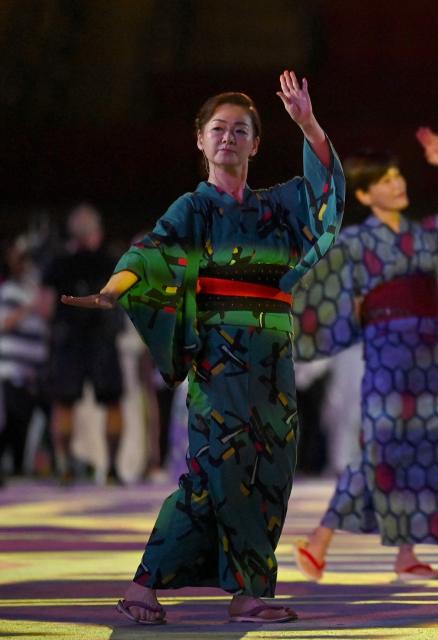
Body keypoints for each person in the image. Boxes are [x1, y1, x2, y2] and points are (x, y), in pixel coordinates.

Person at [61, 70, 344, 624]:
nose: (229, 138)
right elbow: (150, 256)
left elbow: (326, 198)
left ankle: (248, 593)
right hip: (221, 362)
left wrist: (307, 124)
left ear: (257, 144)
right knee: (214, 471)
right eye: (218, 129)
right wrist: (111, 290)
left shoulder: (277, 206)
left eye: (241, 130)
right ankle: (146, 583)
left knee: (269, 472)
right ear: (200, 139)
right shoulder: (192, 209)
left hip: (274, 363)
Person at [291, 128, 438, 582]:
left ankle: (406, 555)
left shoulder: (428, 234)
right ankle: (320, 539)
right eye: (386, 180)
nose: (398, 184)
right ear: (368, 194)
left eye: (398, 176)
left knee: (426, 449)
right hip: (389, 351)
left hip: (435, 352)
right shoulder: (354, 243)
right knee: (381, 446)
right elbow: (326, 295)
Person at [42, 204, 126, 484]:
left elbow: (45, 308)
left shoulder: (58, 262)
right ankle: (112, 469)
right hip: (102, 338)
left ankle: (65, 466)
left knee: (64, 404)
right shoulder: (111, 260)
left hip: (69, 340)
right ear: (97, 231)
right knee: (112, 401)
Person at [0, 239, 52, 482]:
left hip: (35, 372)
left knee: (27, 426)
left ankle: (21, 471)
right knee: (11, 423)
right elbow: (4, 324)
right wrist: (29, 307)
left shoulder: (36, 291)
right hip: (12, 370)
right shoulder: (9, 290)